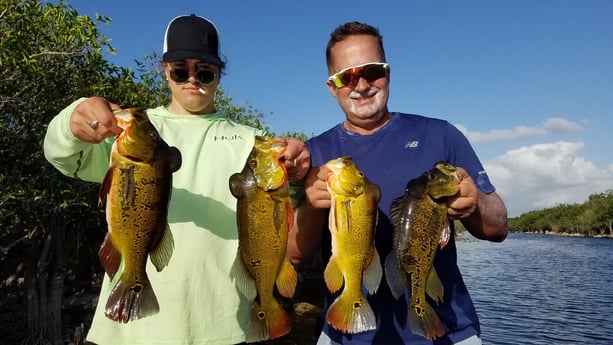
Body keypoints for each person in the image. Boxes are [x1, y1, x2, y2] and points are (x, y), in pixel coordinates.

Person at [44, 14, 310, 345]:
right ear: (165, 71)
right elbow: (64, 157)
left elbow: (285, 208)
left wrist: (298, 168)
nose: (193, 79)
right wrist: (72, 120)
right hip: (131, 333)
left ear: (219, 75)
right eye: (181, 70)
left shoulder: (252, 141)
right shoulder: (130, 132)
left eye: (206, 71)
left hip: (228, 326)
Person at [287, 21, 508, 345]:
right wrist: (312, 205)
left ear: (388, 73)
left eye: (372, 71)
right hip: (344, 332)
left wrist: (475, 205)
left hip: (448, 331)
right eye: (346, 77)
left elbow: (498, 226)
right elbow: (295, 253)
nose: (360, 84)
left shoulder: (441, 135)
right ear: (332, 87)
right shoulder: (317, 152)